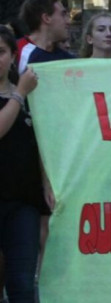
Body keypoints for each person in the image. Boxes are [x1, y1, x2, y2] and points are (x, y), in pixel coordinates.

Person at [0, 25, 53, 303]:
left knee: (22, 282)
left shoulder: (29, 94)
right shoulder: (23, 92)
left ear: (12, 55)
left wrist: (46, 182)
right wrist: (19, 94)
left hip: (24, 201)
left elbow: (41, 140)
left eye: (1, 52)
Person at [17, 0, 74, 73]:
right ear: (47, 18)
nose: (68, 22)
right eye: (63, 14)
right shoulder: (16, 52)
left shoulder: (68, 60)